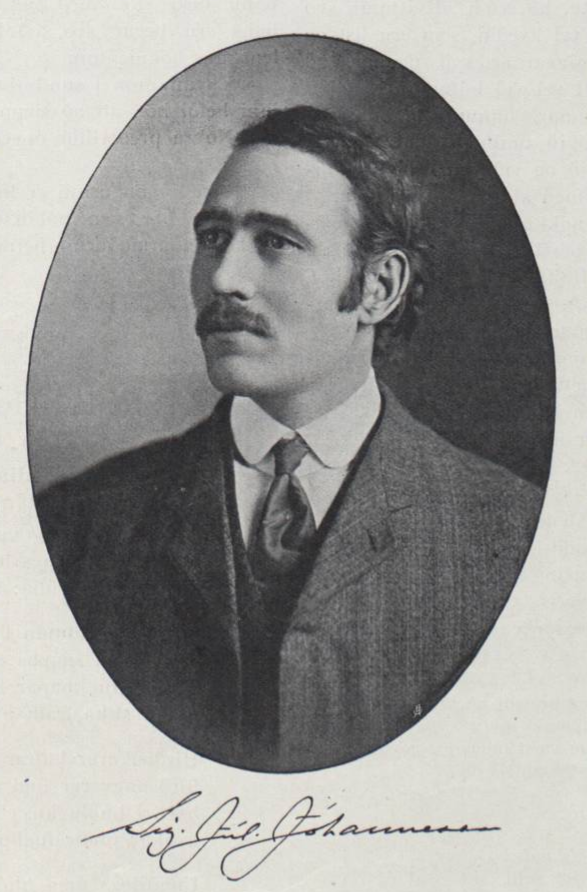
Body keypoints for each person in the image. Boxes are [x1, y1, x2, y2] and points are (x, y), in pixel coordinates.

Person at [37, 106, 543, 772]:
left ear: (377, 287)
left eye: (274, 242)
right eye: (214, 237)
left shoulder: (512, 538)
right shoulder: (76, 527)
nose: (223, 279)